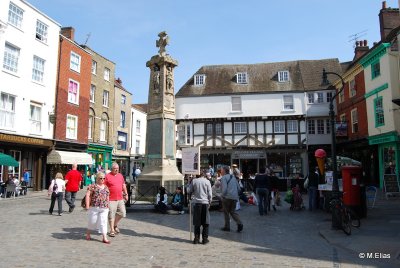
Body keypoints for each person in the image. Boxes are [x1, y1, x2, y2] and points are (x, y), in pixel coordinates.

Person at [85, 172, 111, 244]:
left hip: (104, 208)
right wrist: (87, 205)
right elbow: (88, 195)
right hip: (94, 207)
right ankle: (88, 233)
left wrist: (108, 205)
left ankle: (104, 237)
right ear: (97, 179)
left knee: (103, 222)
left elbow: (108, 196)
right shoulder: (93, 186)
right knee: (92, 221)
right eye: (101, 178)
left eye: (104, 178)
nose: (102, 179)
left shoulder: (106, 187)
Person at [188, 171, 212, 244]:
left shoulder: (194, 181)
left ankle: (196, 238)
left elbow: (189, 190)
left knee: (197, 222)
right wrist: (209, 202)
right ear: (204, 175)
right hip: (205, 203)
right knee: (205, 222)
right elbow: (210, 194)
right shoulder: (207, 182)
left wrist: (189, 182)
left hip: (197, 203)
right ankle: (204, 239)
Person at [104, 162, 128, 237]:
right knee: (111, 214)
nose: (116, 170)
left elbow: (123, 185)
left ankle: (114, 225)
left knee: (122, 213)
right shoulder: (107, 176)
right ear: (112, 169)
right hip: (111, 199)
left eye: (117, 169)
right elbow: (104, 186)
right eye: (115, 169)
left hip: (120, 198)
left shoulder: (120, 175)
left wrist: (126, 193)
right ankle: (112, 230)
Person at [220, 165, 243, 232]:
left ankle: (227, 227)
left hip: (227, 197)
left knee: (226, 212)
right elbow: (239, 188)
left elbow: (224, 189)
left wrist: (222, 196)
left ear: (224, 171)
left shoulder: (224, 178)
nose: (221, 171)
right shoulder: (233, 177)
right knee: (233, 212)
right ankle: (239, 223)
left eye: (221, 170)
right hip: (234, 197)